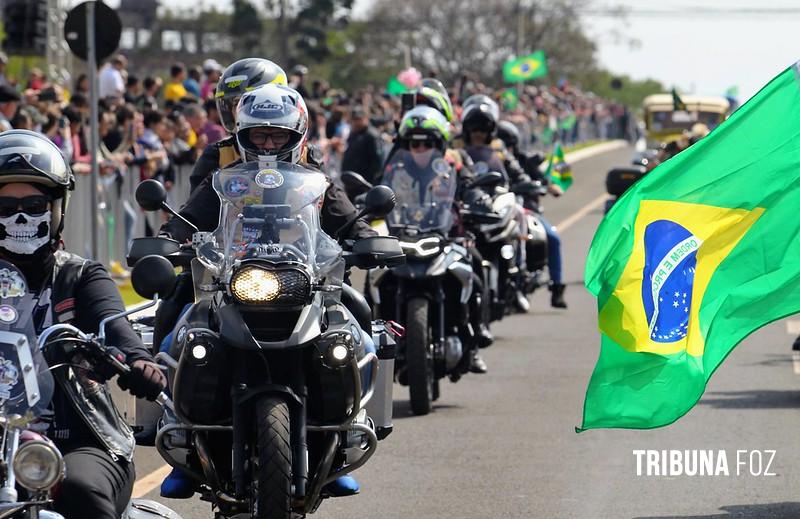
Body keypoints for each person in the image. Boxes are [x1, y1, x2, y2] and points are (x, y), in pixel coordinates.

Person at [159, 84, 372, 498]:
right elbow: (189, 218)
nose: (269, 143)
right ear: (242, 135)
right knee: (177, 329)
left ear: (298, 135)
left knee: (359, 324)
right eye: (259, 135)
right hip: (233, 276)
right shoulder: (225, 179)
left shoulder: (317, 176)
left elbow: (345, 218)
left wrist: (368, 238)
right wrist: (167, 240)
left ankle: (344, 437)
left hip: (304, 277)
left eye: (278, 135)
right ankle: (176, 434)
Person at [0, 130, 166, 518]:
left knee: (79, 490)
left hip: (81, 439)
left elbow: (114, 323)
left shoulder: (80, 277)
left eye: (34, 203)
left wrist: (137, 359)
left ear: (57, 208)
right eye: (4, 206)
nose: (20, 215)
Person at [388, 105, 492, 374]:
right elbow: (378, 188)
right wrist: (367, 199)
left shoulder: (455, 161)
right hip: (403, 234)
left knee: (478, 268)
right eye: (414, 143)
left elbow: (470, 185)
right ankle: (375, 336)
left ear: (439, 143)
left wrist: (477, 199)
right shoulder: (394, 165)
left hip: (447, 234)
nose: (420, 149)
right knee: (377, 274)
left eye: (427, 143)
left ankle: (476, 338)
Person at [187, 58, 289, 193]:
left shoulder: (305, 153)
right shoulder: (217, 154)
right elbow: (194, 209)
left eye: (247, 102)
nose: (240, 111)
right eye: (236, 103)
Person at [496, 120, 567, 308]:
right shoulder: (487, 160)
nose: (504, 149)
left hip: (527, 211)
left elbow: (542, 180)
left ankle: (557, 287)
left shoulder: (524, 161)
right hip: (497, 211)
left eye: (507, 145)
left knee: (552, 237)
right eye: (499, 144)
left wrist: (551, 187)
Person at [341, 106, 383, 184]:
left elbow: (377, 161)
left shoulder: (372, 135)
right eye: (354, 120)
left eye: (358, 119)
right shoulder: (354, 133)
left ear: (365, 119)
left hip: (365, 182)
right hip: (352, 180)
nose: (356, 122)